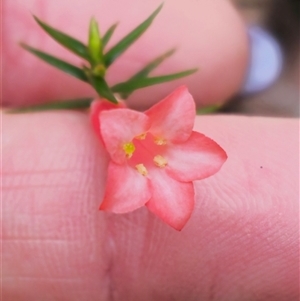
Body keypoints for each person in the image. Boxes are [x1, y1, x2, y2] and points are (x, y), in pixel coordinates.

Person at [2, 0, 299, 300]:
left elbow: (198, 153)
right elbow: (120, 128)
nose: (144, 152)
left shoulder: (131, 127)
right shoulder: (121, 125)